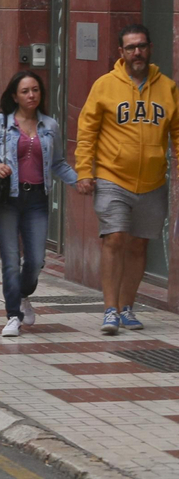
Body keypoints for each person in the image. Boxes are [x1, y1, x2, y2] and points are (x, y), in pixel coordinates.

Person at [74, 23, 179, 334]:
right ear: (120, 52)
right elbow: (87, 132)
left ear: (150, 49)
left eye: (142, 46)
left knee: (138, 245)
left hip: (152, 181)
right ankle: (109, 310)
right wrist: (84, 171)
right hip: (111, 176)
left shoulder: (168, 88)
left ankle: (127, 307)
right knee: (115, 238)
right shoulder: (105, 86)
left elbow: (177, 132)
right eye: (131, 47)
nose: (137, 52)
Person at [0, 70, 77, 338]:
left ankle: (23, 295)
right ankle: (12, 316)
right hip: (7, 199)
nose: (31, 95)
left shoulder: (50, 126)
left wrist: (80, 182)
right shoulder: (0, 124)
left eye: (35, 90)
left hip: (37, 199)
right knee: (10, 260)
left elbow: (58, 164)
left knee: (36, 260)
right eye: (25, 91)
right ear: (15, 96)